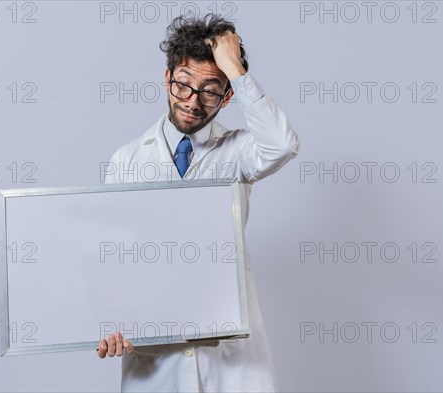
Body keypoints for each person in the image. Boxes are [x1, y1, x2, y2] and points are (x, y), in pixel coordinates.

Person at [97, 14, 299, 392]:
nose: (193, 102)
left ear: (227, 96)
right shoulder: (126, 160)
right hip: (155, 358)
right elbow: (114, 258)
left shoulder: (238, 150)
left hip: (232, 361)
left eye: (210, 90)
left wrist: (235, 68)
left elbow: (282, 144)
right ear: (167, 77)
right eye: (183, 86)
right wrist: (110, 321)